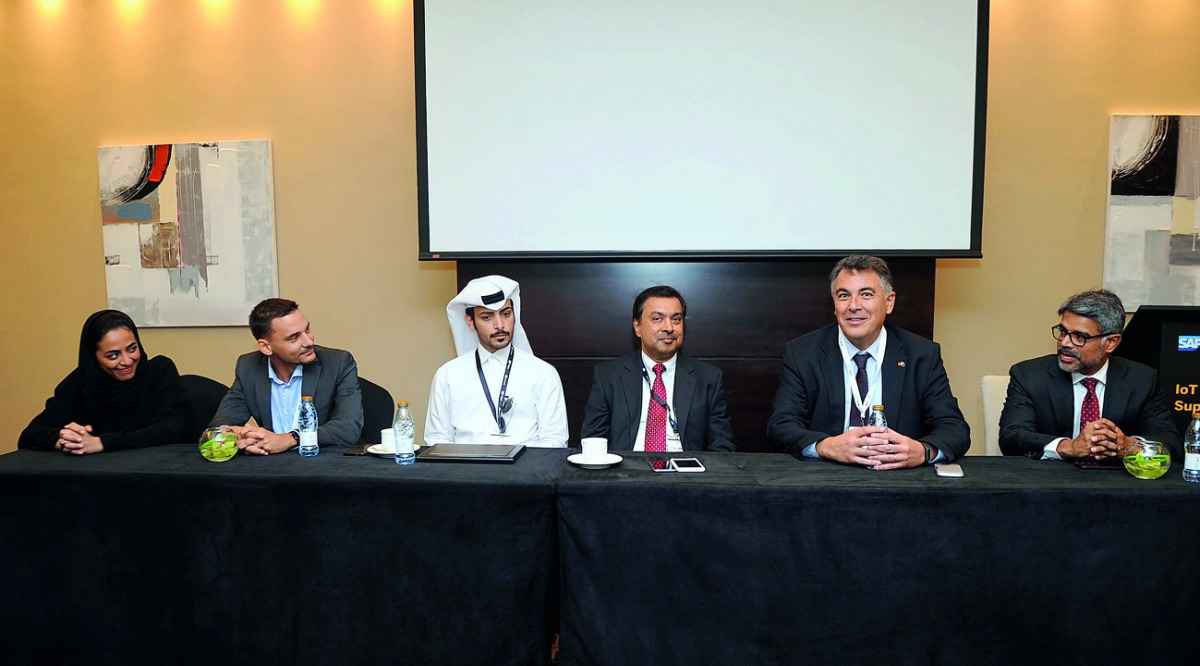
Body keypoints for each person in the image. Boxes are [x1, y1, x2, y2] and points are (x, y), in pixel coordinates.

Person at [767, 255, 969, 468]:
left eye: (866, 294)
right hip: (826, 475)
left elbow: (954, 428)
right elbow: (781, 425)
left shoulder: (921, 354)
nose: (854, 305)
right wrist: (827, 446)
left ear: (889, 302)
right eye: (844, 295)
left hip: (897, 478)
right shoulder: (803, 353)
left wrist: (923, 451)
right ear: (835, 305)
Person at [999, 289, 1181, 462]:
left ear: (1110, 342)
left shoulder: (1142, 379)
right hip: (1049, 482)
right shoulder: (1029, 375)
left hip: (1116, 484)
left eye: (1079, 337)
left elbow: (1171, 441)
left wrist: (1128, 446)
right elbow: (1012, 437)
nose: (1065, 343)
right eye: (1063, 332)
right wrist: (1068, 447)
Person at [581, 285, 736, 452]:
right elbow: (592, 442)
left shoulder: (708, 378)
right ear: (637, 327)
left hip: (687, 473)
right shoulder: (608, 376)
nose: (669, 328)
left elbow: (723, 446)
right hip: (626, 471)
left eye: (676, 319)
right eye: (657, 319)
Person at [425, 275, 569, 447]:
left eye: (506, 314)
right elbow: (437, 440)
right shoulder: (447, 375)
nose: (500, 325)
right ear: (470, 322)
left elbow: (555, 441)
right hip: (465, 470)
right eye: (487, 317)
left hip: (526, 470)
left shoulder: (543, 373)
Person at [19, 309, 188, 454]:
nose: (127, 361)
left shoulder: (159, 370)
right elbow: (31, 434)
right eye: (113, 355)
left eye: (132, 349)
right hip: (99, 477)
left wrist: (101, 443)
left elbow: (172, 429)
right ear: (94, 358)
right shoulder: (80, 383)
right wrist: (70, 441)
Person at [208, 298, 363, 454]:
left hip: (322, 464)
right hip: (270, 465)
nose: (308, 341)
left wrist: (289, 439)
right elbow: (221, 423)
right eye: (294, 337)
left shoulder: (338, 363)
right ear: (266, 347)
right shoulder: (248, 367)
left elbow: (348, 427)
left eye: (307, 330)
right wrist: (237, 435)